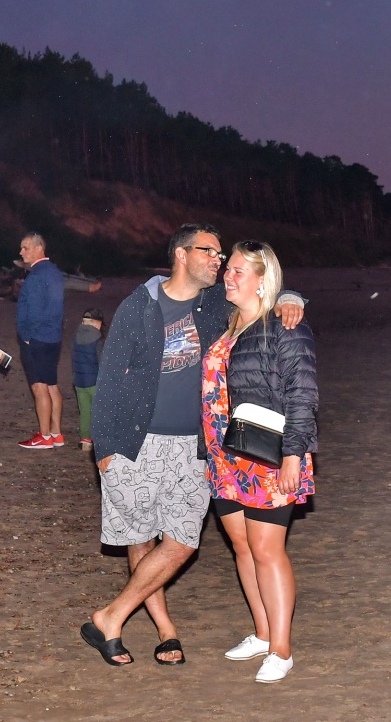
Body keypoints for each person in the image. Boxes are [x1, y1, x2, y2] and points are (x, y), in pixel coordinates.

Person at [80, 223, 304, 668]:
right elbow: (108, 379)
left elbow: (263, 291)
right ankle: (165, 629)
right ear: (181, 255)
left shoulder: (216, 303)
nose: (219, 262)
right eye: (210, 252)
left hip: (196, 447)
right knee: (140, 539)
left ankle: (110, 616)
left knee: (182, 542)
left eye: (222, 256)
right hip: (136, 442)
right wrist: (103, 445)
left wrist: (293, 298)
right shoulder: (139, 305)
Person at [202, 241, 317, 684]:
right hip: (223, 454)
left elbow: (302, 397)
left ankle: (281, 649)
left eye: (238, 272)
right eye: (228, 269)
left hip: (267, 455)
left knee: (268, 550)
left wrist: (293, 455)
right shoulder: (227, 320)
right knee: (243, 547)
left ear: (262, 280)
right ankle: (263, 633)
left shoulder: (285, 328)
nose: (228, 277)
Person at [15, 233, 66, 449]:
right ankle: (56, 433)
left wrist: (26, 335)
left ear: (39, 248)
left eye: (25, 248)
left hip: (38, 338)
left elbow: (34, 311)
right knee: (51, 385)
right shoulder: (54, 272)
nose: (21, 252)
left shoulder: (36, 275)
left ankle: (44, 436)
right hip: (53, 337)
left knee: (39, 387)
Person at [72, 308, 105, 450]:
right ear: (97, 323)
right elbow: (102, 361)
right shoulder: (97, 340)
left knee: (85, 410)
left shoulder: (76, 336)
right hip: (95, 381)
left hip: (79, 381)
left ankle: (85, 439)